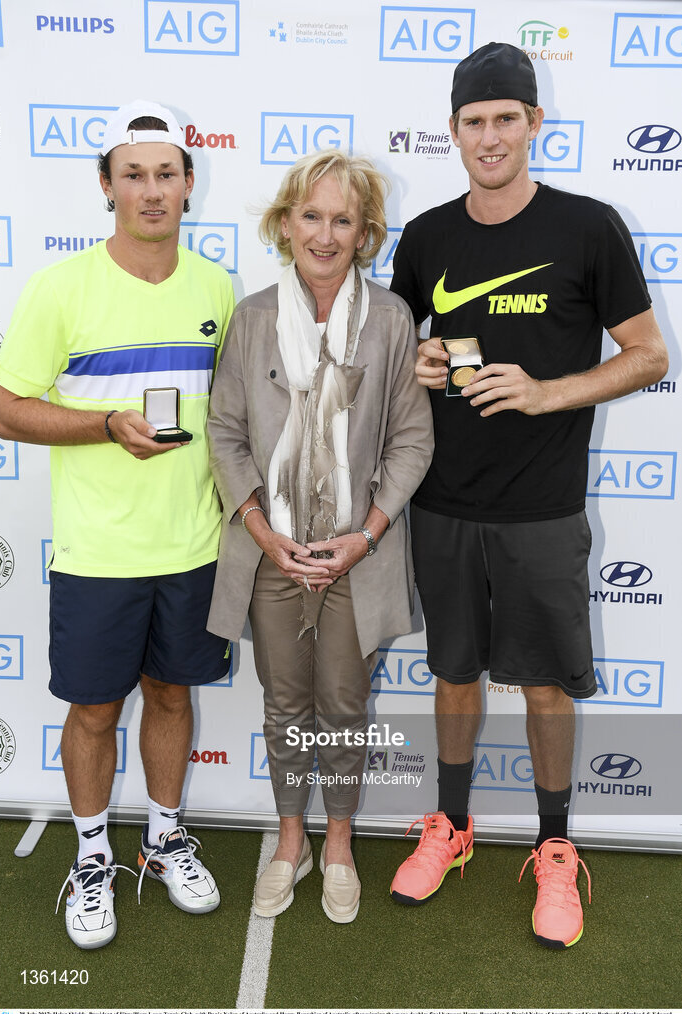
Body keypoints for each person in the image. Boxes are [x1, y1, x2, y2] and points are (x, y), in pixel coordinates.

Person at [388, 43, 668, 948]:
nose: (490, 136)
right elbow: (405, 352)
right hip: (442, 500)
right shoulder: (428, 234)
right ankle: (453, 826)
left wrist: (546, 391)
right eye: (474, 122)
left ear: (533, 123)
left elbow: (648, 355)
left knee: (545, 685)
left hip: (543, 505)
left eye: (506, 118)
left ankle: (553, 847)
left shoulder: (587, 226)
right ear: (455, 132)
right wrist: (423, 362)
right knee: (453, 674)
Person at [0, 100, 235, 950]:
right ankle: (93, 854)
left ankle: (163, 841)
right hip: (98, 553)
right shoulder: (61, 287)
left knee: (172, 694)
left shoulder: (217, 287)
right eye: (133, 174)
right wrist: (103, 425)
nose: (152, 190)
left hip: (195, 545)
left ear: (189, 184)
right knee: (95, 711)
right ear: (106, 186)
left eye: (166, 173)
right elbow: (6, 411)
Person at [206, 150, 433, 923]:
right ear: (285, 223)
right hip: (271, 551)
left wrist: (363, 536)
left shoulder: (393, 320)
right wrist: (266, 534)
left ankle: (337, 842)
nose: (325, 234)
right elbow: (225, 433)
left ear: (365, 232)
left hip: (355, 555)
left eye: (343, 219)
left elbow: (411, 442)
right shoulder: (254, 318)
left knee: (341, 703)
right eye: (311, 216)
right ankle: (289, 838)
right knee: (282, 705)